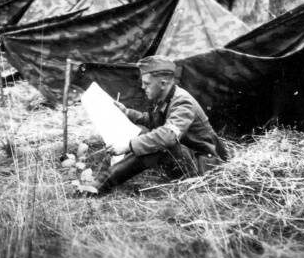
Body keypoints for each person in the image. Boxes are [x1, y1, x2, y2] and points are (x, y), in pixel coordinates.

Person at [82, 55, 227, 195]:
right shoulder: (165, 97)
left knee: (160, 145)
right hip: (188, 156)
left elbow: (168, 136)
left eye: (147, 83)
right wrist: (127, 112)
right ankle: (102, 180)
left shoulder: (183, 102)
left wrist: (128, 145)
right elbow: (153, 121)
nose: (143, 87)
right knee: (149, 139)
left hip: (205, 167)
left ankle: (99, 185)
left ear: (163, 83)